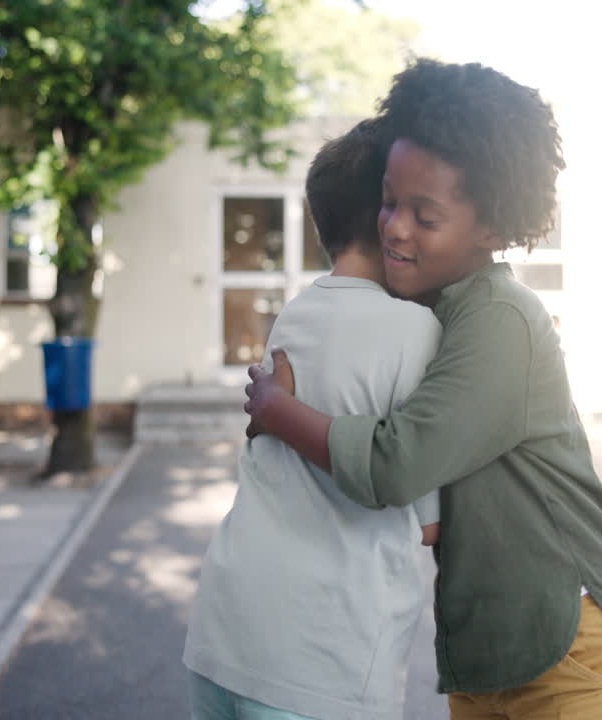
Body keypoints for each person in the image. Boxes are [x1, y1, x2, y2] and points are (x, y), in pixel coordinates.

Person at [244, 59, 602, 719]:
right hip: (487, 656)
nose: (395, 227)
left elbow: (397, 463)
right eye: (388, 201)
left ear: (492, 228)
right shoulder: (421, 313)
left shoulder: (499, 316)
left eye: (425, 214)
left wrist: (277, 409)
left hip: (576, 651)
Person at [184, 119, 443, 720]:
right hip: (324, 665)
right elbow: (426, 523)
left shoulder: (295, 316)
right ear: (389, 213)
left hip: (223, 634)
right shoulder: (417, 332)